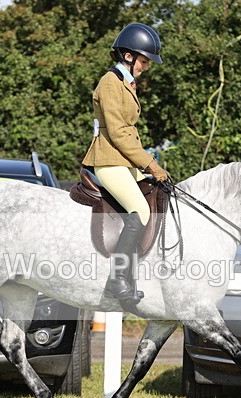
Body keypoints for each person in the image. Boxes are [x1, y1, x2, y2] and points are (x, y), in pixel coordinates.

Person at [82, 22, 168, 306]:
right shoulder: (110, 83)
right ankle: (116, 279)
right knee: (141, 210)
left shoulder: (124, 82)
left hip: (124, 160)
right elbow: (118, 133)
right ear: (128, 56)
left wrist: (144, 166)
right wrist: (151, 164)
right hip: (108, 161)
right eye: (144, 61)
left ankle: (131, 276)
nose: (147, 67)